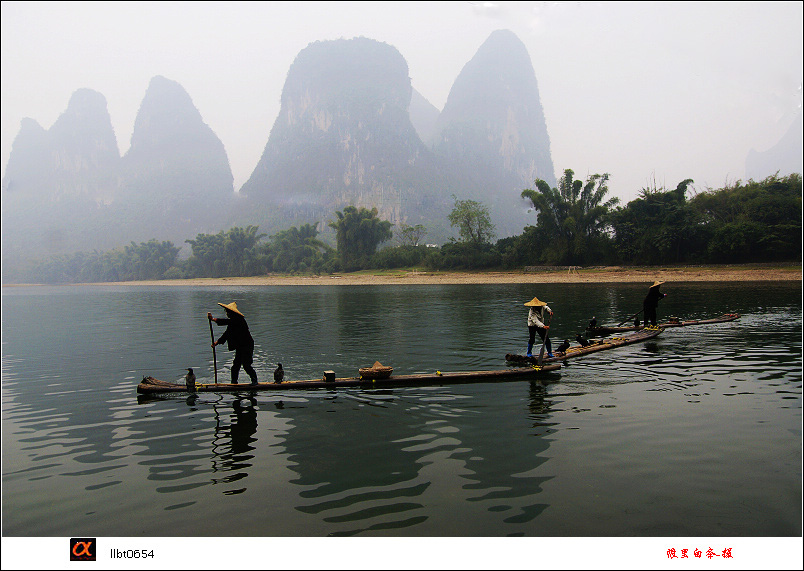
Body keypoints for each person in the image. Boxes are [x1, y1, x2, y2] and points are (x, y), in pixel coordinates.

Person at [208, 301, 258, 385]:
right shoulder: (233, 322)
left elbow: (227, 322)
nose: (227, 313)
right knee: (235, 365)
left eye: (228, 312)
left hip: (247, 345)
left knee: (246, 365)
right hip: (240, 346)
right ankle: (233, 382)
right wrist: (216, 342)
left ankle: (254, 381)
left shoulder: (239, 320)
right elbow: (227, 333)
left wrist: (213, 319)